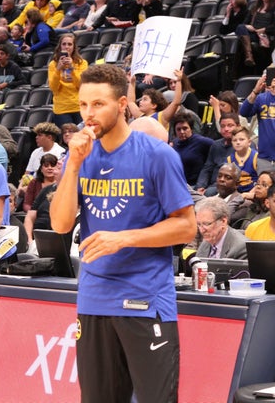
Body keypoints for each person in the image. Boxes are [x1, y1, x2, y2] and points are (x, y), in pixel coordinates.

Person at [50, 64, 196, 403]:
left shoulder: (157, 155)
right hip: (93, 299)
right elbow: (59, 225)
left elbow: (186, 226)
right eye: (84, 105)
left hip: (144, 301)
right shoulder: (81, 157)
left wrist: (125, 237)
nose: (89, 114)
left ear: (121, 105)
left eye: (98, 104)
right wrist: (72, 165)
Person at [48, 33, 88, 126]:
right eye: (64, 44)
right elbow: (53, 88)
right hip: (62, 108)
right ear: (60, 46)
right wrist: (58, 69)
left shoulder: (82, 63)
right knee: (67, 138)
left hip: (79, 106)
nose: (66, 47)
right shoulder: (53, 64)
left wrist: (72, 68)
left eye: (70, 44)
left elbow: (82, 85)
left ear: (74, 47)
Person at [235, 0, 275, 66]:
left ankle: (248, 57)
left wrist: (263, 30)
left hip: (264, 35)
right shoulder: (255, 8)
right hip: (253, 33)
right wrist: (248, 26)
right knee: (240, 27)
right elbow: (244, 23)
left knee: (240, 39)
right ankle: (249, 56)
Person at [172, 112, 214, 187]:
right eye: (178, 129)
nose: (182, 132)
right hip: (178, 183)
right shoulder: (174, 143)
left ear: (191, 128)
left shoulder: (202, 142)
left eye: (185, 128)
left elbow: (217, 146)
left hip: (195, 185)